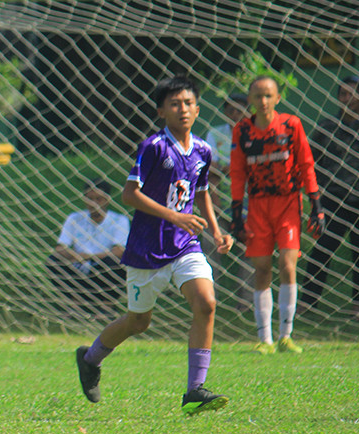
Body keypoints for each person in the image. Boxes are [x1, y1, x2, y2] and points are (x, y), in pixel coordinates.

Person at [75, 76, 234, 416]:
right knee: (138, 322)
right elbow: (129, 194)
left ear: (197, 107)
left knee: (206, 303)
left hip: (185, 246)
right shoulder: (154, 147)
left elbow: (201, 191)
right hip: (147, 251)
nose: (183, 109)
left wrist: (217, 232)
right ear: (162, 111)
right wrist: (175, 217)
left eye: (189, 103)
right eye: (175, 104)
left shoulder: (203, 150)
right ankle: (90, 359)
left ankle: (195, 390)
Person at [229, 76, 322, 354]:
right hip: (257, 206)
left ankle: (286, 335)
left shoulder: (291, 125)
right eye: (258, 96)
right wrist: (236, 212)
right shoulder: (242, 131)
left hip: (288, 204)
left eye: (268, 95)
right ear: (250, 101)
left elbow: (306, 164)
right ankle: (265, 339)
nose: (263, 101)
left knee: (287, 263)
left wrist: (316, 203)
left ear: (278, 98)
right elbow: (236, 172)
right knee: (261, 268)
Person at [300, 75, 359, 319]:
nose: (347, 99)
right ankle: (308, 303)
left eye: (352, 94)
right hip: (334, 200)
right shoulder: (327, 127)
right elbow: (309, 160)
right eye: (343, 94)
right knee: (322, 250)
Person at [204, 92, 253, 309]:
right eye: (231, 109)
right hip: (221, 202)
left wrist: (228, 169)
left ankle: (247, 301)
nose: (235, 113)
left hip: (250, 205)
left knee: (250, 251)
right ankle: (207, 297)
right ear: (225, 112)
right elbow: (207, 167)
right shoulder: (216, 134)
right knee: (209, 245)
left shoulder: (255, 133)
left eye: (240, 108)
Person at [46, 179, 129, 304]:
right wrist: (77, 256)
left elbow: (119, 251)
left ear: (107, 199)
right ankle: (75, 302)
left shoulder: (119, 220)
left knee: (115, 262)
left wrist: (91, 257)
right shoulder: (75, 218)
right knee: (53, 261)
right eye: (90, 199)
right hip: (78, 266)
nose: (93, 203)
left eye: (98, 199)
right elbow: (60, 248)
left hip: (103, 266)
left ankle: (106, 304)